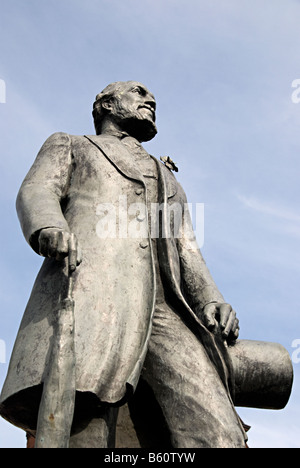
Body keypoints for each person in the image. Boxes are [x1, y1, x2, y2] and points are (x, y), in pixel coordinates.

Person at [0, 81, 247, 448]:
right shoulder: (72, 144)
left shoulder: (167, 177)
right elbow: (37, 190)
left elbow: (186, 249)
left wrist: (211, 299)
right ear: (107, 105)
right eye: (138, 92)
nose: (150, 99)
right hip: (93, 298)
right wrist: (49, 226)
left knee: (217, 429)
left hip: (164, 313)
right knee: (88, 426)